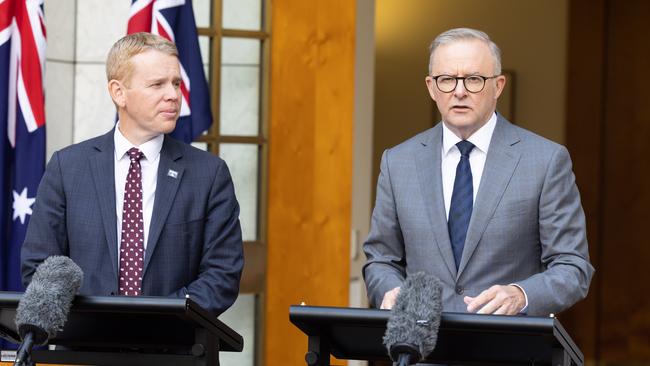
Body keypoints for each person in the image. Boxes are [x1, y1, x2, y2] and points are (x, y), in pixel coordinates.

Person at [363, 28, 594, 316]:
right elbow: (380, 260)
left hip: (509, 351)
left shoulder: (546, 161)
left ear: (498, 86)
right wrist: (389, 290)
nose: (459, 91)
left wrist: (521, 295)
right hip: (422, 352)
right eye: (446, 79)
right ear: (431, 87)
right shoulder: (398, 162)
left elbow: (573, 267)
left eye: (474, 79)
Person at [21, 33, 243, 316]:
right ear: (118, 92)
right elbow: (40, 267)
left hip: (173, 349)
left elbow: (222, 275)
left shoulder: (209, 174)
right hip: (85, 350)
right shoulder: (67, 167)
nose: (173, 95)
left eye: (176, 83)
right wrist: (98, 322)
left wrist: (150, 319)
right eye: (157, 84)